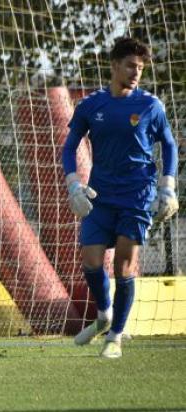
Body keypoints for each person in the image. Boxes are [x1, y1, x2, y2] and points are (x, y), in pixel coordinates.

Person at [62, 37, 179, 358]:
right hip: (100, 196)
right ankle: (104, 315)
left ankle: (115, 335)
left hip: (138, 196)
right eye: (130, 66)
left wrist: (167, 187)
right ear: (114, 66)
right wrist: (73, 184)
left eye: (140, 68)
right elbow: (69, 147)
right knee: (90, 259)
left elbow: (169, 146)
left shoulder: (150, 106)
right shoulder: (91, 105)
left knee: (124, 264)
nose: (135, 73)